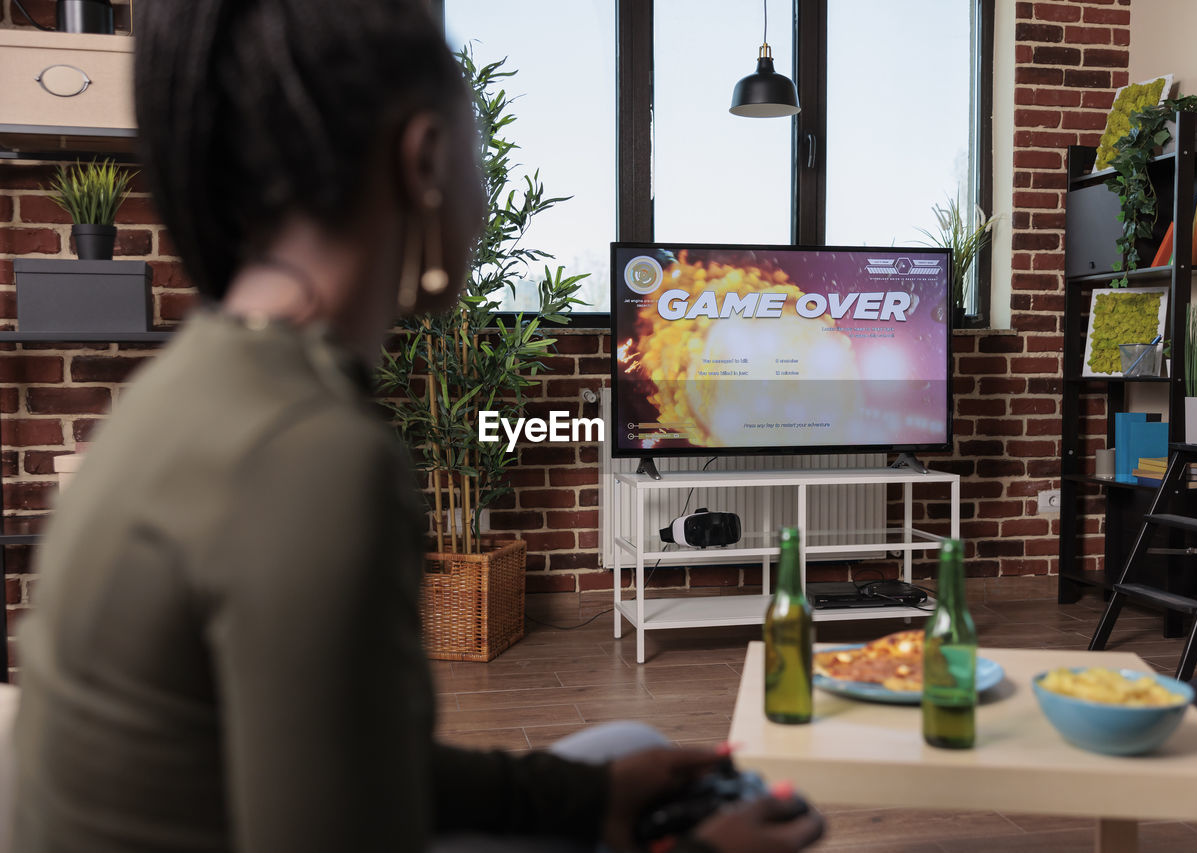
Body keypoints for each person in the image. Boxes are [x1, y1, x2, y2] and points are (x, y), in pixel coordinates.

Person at [9, 3, 825, 852]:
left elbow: (360, 757)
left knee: (632, 748)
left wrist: (587, 797)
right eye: (481, 156)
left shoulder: (200, 378)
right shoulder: (311, 456)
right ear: (425, 159)